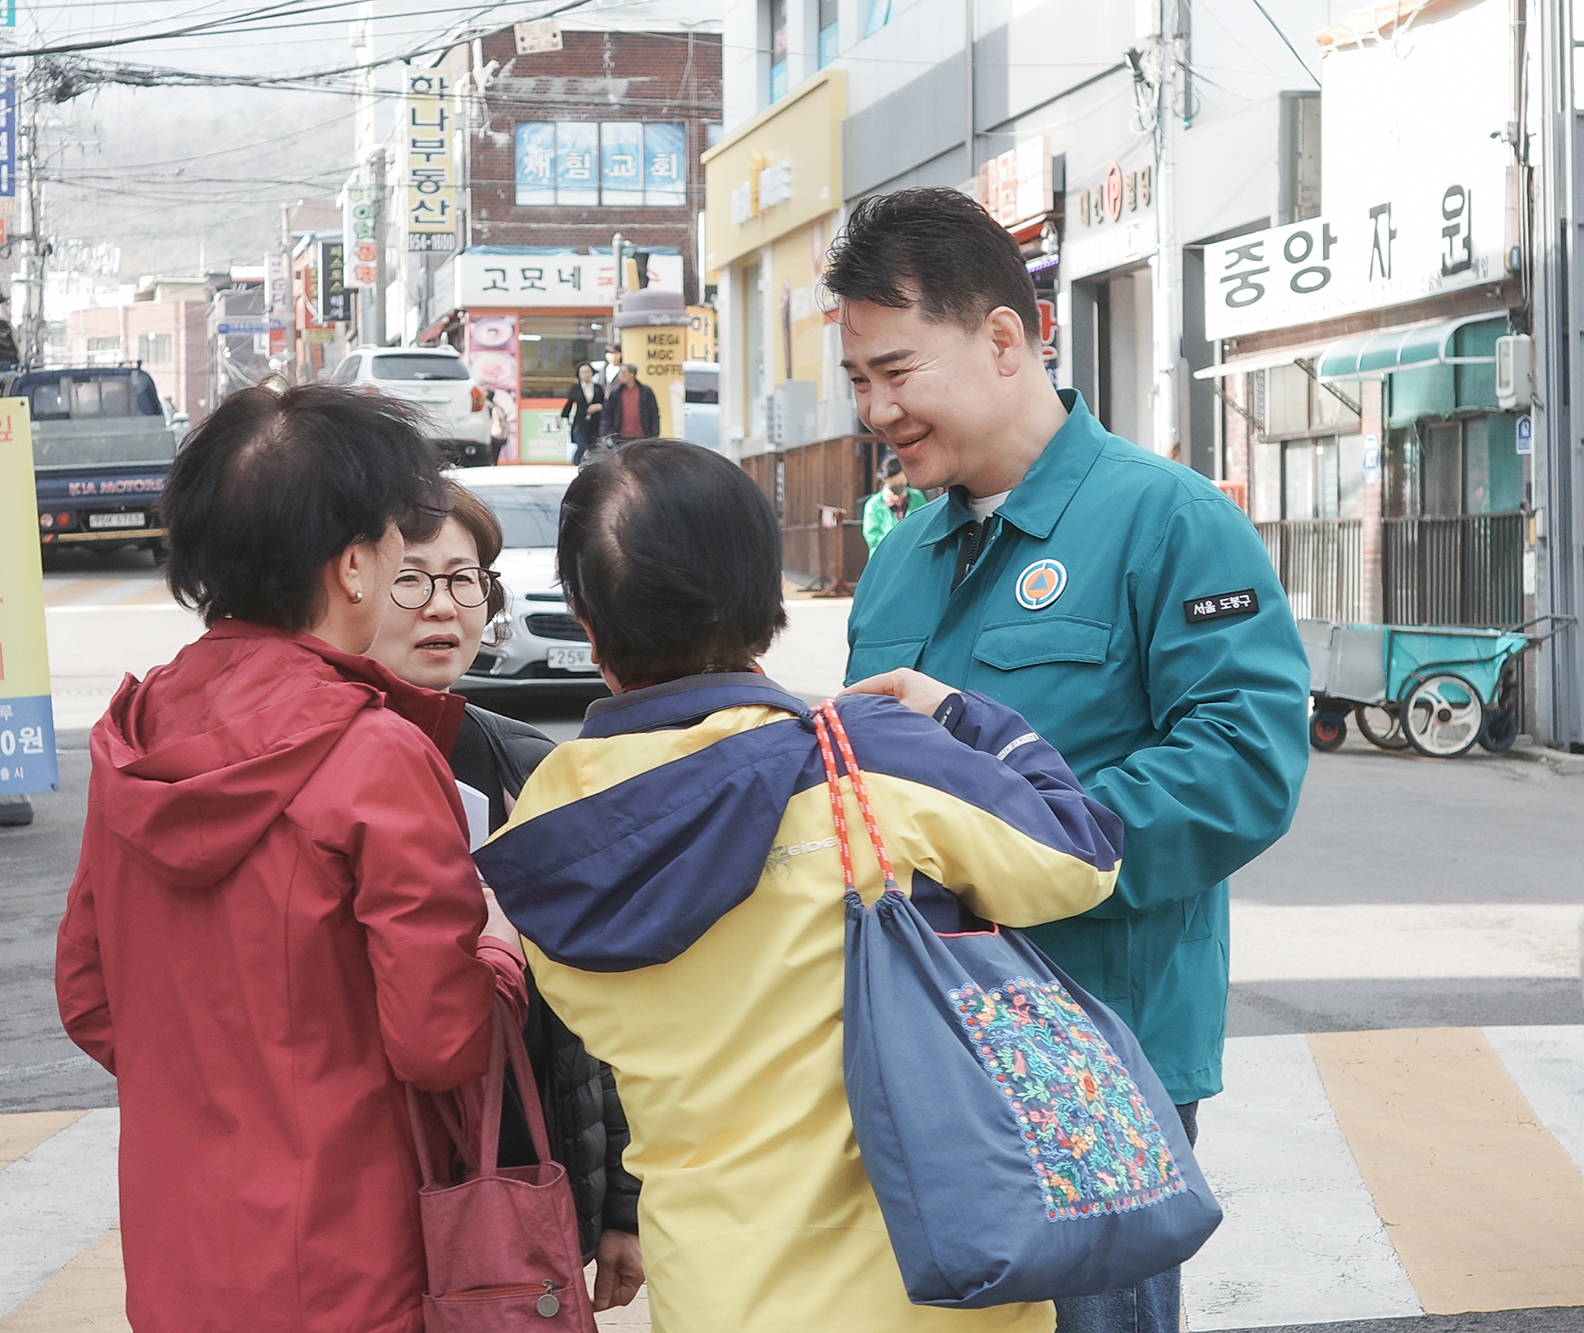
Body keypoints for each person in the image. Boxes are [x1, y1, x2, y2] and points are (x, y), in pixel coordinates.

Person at [474, 440, 1124, 1333]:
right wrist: (967, 717)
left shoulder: (543, 827)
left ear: (587, 623)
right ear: (765, 603)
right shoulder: (871, 762)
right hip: (931, 1284)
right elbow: (1081, 856)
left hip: (716, 1290)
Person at [828, 187, 1310, 1333]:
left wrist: (1015, 835)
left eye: (895, 370)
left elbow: (1241, 762)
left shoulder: (1168, 521)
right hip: (918, 1049)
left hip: (1095, 1054)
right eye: (856, 380)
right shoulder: (900, 558)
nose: (873, 408)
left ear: (1003, 337)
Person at [55, 383, 528, 1332]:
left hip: (179, 1249)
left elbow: (91, 997)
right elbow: (439, 1042)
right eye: (397, 538)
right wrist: (502, 950)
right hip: (346, 1254)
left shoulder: (135, 737)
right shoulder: (376, 752)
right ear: (354, 565)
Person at [366, 480, 645, 1313]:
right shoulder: (322, 768)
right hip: (376, 1166)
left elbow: (600, 1001)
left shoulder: (527, 762)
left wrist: (621, 1203)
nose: (442, 606)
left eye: (465, 579)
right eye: (410, 579)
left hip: (517, 1163)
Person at [861, 454, 927, 554]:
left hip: (914, 555)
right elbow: (872, 537)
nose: (898, 486)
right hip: (884, 558)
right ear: (884, 481)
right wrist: (899, 542)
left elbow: (925, 525)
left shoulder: (917, 497)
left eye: (901, 481)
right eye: (893, 483)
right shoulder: (873, 505)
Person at [597, 362, 659, 445]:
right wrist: (603, 433)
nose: (619, 376)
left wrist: (654, 434)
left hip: (642, 438)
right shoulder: (615, 393)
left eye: (622, 373)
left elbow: (653, 414)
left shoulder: (645, 392)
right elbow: (607, 414)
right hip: (621, 439)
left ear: (631, 374)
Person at [559, 362, 606, 465]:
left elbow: (605, 403)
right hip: (581, 422)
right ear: (579, 374)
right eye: (582, 372)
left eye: (587, 371)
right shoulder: (576, 388)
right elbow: (569, 404)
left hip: (595, 422)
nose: (585, 374)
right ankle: (576, 464)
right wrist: (562, 417)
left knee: (594, 446)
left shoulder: (598, 388)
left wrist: (598, 407)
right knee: (581, 445)